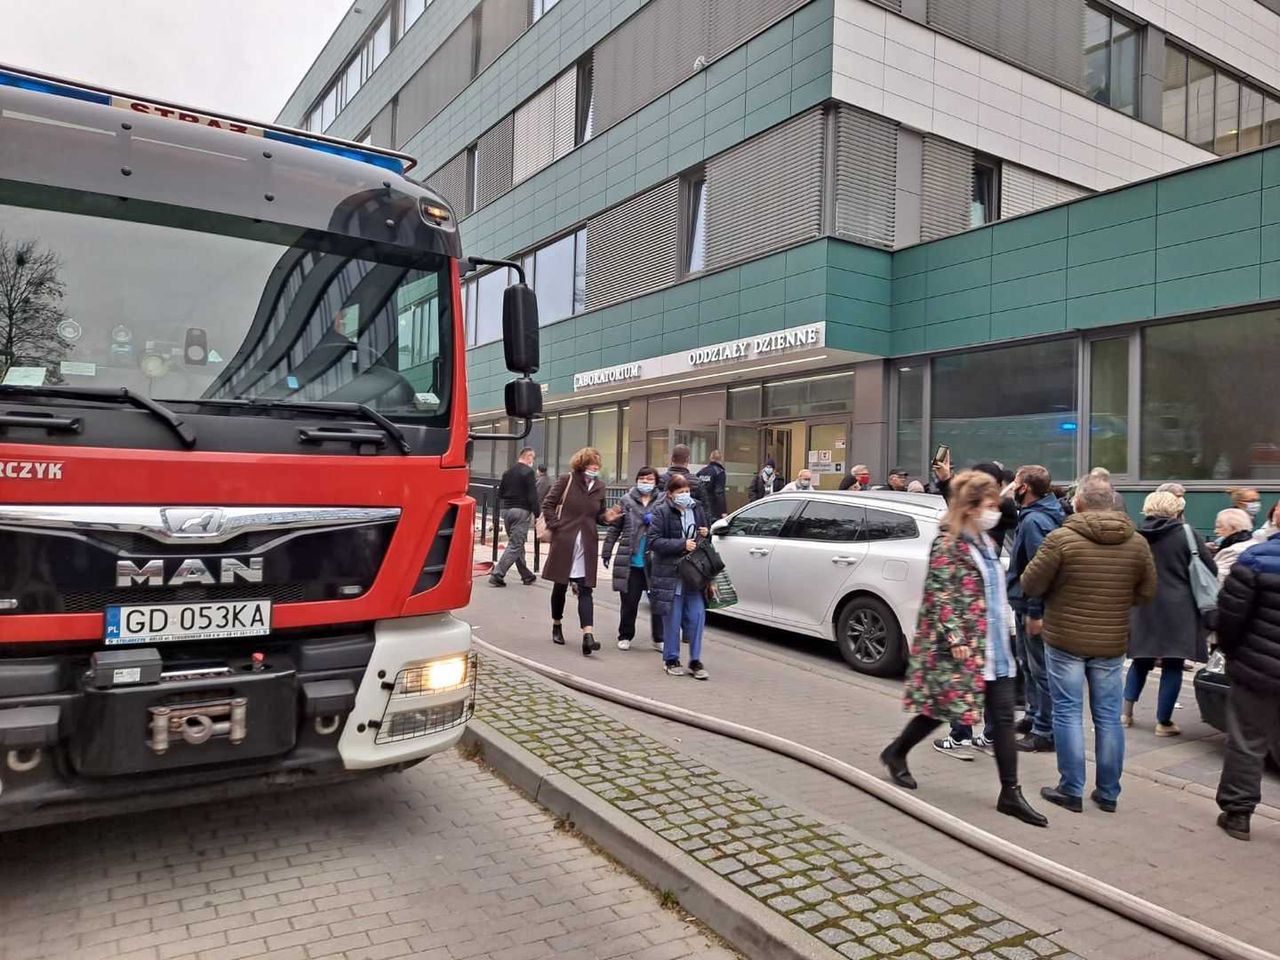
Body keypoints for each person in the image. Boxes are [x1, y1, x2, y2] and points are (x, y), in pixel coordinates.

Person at [879, 470, 1047, 827]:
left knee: (1002, 718)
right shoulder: (949, 543)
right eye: (989, 505)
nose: (996, 511)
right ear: (970, 508)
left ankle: (1010, 793)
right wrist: (956, 638)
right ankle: (896, 751)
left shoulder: (985, 541)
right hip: (966, 646)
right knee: (941, 708)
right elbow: (940, 594)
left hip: (996, 646)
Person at [1020, 475, 1157, 813]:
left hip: (1065, 637)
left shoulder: (1062, 539)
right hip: (1111, 639)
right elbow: (1147, 592)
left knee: (1068, 712)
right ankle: (1108, 792)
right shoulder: (1137, 543)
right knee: (1108, 716)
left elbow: (1031, 582)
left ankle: (1071, 788)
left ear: (1078, 502)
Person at [1124, 491, 1215, 736]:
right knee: (1173, 663)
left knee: (1140, 659)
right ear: (1175, 509)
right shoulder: (1186, 534)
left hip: (1143, 606)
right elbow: (1210, 567)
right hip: (1179, 607)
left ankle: (1126, 714)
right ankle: (1163, 722)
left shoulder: (1134, 535)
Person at [1212, 523, 1280, 841]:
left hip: (1257, 669)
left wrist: (1232, 651)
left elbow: (1230, 615)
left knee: (1247, 741)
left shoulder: (1256, 558)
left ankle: (1238, 814)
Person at [1004, 466, 1067, 755]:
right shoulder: (1037, 515)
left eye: (1016, 482)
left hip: (1033, 606)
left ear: (1025, 487)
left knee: (1040, 669)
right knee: (1029, 665)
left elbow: (1038, 570)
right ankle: (1033, 716)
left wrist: (1034, 611)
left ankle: (1045, 730)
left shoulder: (1035, 522)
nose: (1013, 486)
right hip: (1026, 603)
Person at [541, 447, 622, 657]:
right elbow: (548, 504)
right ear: (582, 464)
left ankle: (588, 635)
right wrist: (557, 525)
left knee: (585, 589)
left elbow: (598, 516)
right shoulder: (566, 480)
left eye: (597, 464)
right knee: (560, 585)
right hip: (565, 541)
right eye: (590, 464)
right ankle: (557, 624)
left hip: (587, 543)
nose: (594, 467)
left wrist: (607, 517)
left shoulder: (600, 486)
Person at [649, 474, 711, 680]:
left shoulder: (697, 509)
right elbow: (654, 541)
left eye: (687, 491)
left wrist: (705, 533)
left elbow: (705, 542)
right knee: (673, 620)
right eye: (680, 492)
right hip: (671, 575)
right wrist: (681, 544)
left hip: (695, 574)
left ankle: (695, 660)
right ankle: (671, 658)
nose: (685, 495)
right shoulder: (661, 512)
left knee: (697, 616)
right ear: (670, 494)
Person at [603, 467, 665, 652]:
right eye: (642, 478)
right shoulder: (626, 500)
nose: (646, 482)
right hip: (631, 559)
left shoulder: (662, 500)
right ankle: (625, 635)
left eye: (649, 479)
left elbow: (671, 523)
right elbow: (615, 527)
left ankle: (659, 637)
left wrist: (655, 520)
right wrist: (607, 550)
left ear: (655, 481)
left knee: (658, 602)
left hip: (654, 560)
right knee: (629, 602)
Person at [490, 447, 541, 588]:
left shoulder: (508, 472)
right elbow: (532, 495)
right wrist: (538, 514)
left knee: (517, 543)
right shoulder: (528, 472)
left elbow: (500, 493)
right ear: (528, 456)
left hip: (507, 511)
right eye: (533, 457)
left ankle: (526, 575)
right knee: (515, 544)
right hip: (521, 510)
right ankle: (497, 574)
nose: (533, 460)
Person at [1213, 508, 1257, 586]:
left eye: (1219, 527)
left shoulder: (1233, 551)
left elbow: (1219, 579)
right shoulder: (1253, 543)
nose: (1215, 531)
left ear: (1233, 528)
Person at [658, 444, 707, 509]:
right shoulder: (697, 482)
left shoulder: (660, 480)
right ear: (688, 459)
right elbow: (705, 509)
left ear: (672, 458)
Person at [696, 449, 728, 519]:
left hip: (701, 508)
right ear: (721, 459)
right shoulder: (719, 472)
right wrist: (723, 511)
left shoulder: (701, 471)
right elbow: (719, 493)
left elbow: (696, 489)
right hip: (713, 509)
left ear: (710, 458)